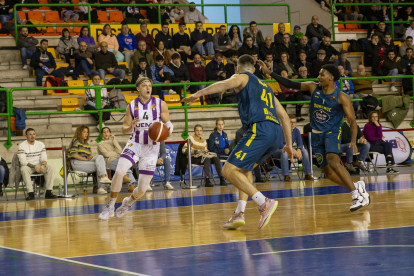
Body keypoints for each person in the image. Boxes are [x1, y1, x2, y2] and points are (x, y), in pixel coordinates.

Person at [183, 54, 294, 230]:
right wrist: (288, 143)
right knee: (243, 170)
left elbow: (224, 84)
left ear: (238, 68)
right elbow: (285, 118)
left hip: (260, 129)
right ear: (255, 68)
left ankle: (263, 202)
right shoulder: (265, 86)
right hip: (275, 133)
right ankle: (239, 213)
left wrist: (199, 93)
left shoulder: (242, 77)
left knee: (228, 170)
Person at [259, 60, 371, 212]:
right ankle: (356, 186)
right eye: (319, 74)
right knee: (329, 174)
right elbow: (290, 83)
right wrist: (270, 72)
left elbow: (352, 121)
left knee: (333, 161)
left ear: (331, 78)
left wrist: (353, 140)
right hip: (316, 135)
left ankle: (356, 195)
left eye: (322, 74)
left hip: (332, 133)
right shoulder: (313, 87)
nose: (319, 76)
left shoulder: (341, 97)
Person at [98, 77, 174, 220]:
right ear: (138, 88)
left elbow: (169, 123)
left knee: (142, 189)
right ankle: (110, 206)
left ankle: (128, 202)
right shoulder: (131, 106)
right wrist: (130, 126)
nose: (148, 88)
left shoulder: (160, 104)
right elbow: (123, 129)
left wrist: (168, 131)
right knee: (120, 171)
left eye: (149, 85)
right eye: (144, 85)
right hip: (135, 143)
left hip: (151, 149)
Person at [69, 125, 112, 195]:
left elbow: (89, 157)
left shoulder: (87, 144)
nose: (86, 134)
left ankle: (103, 181)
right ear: (80, 133)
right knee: (99, 166)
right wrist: (85, 159)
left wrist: (90, 157)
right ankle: (101, 187)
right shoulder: (75, 140)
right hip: (76, 163)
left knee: (100, 157)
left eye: (87, 132)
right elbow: (73, 155)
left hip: (85, 162)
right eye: (84, 132)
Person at [18, 128, 57, 201]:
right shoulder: (22, 145)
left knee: (51, 168)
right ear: (26, 136)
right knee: (23, 169)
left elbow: (44, 158)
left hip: (39, 164)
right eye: (30, 134)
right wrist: (34, 166)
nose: (32, 136)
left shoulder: (40, 144)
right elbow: (23, 162)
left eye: (34, 134)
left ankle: (48, 192)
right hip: (28, 166)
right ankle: (30, 193)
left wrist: (43, 165)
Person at [272, 115, 313, 181]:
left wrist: (299, 149)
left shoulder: (296, 130)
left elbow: (300, 143)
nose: (292, 124)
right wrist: (292, 149)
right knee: (284, 152)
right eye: (291, 122)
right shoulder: (279, 130)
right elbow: (280, 144)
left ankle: (307, 174)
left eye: (294, 122)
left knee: (304, 151)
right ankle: (286, 175)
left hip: (290, 150)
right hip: (278, 150)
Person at [98, 127, 137, 193]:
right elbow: (106, 154)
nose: (106, 133)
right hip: (109, 161)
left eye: (107, 131)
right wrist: (115, 153)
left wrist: (114, 140)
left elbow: (120, 151)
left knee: (125, 163)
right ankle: (131, 184)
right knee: (123, 165)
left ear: (110, 133)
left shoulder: (113, 142)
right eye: (104, 132)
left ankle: (127, 179)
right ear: (102, 134)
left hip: (117, 159)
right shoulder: (100, 144)